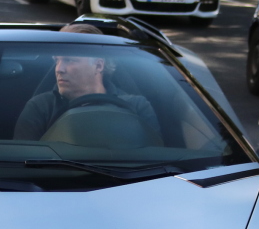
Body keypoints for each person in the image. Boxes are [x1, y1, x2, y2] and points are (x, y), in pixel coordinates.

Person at [12, 23, 160, 142]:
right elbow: (23, 161)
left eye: (69, 60)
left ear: (98, 65)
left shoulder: (137, 107)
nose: (59, 69)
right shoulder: (40, 108)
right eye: (57, 60)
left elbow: (155, 156)